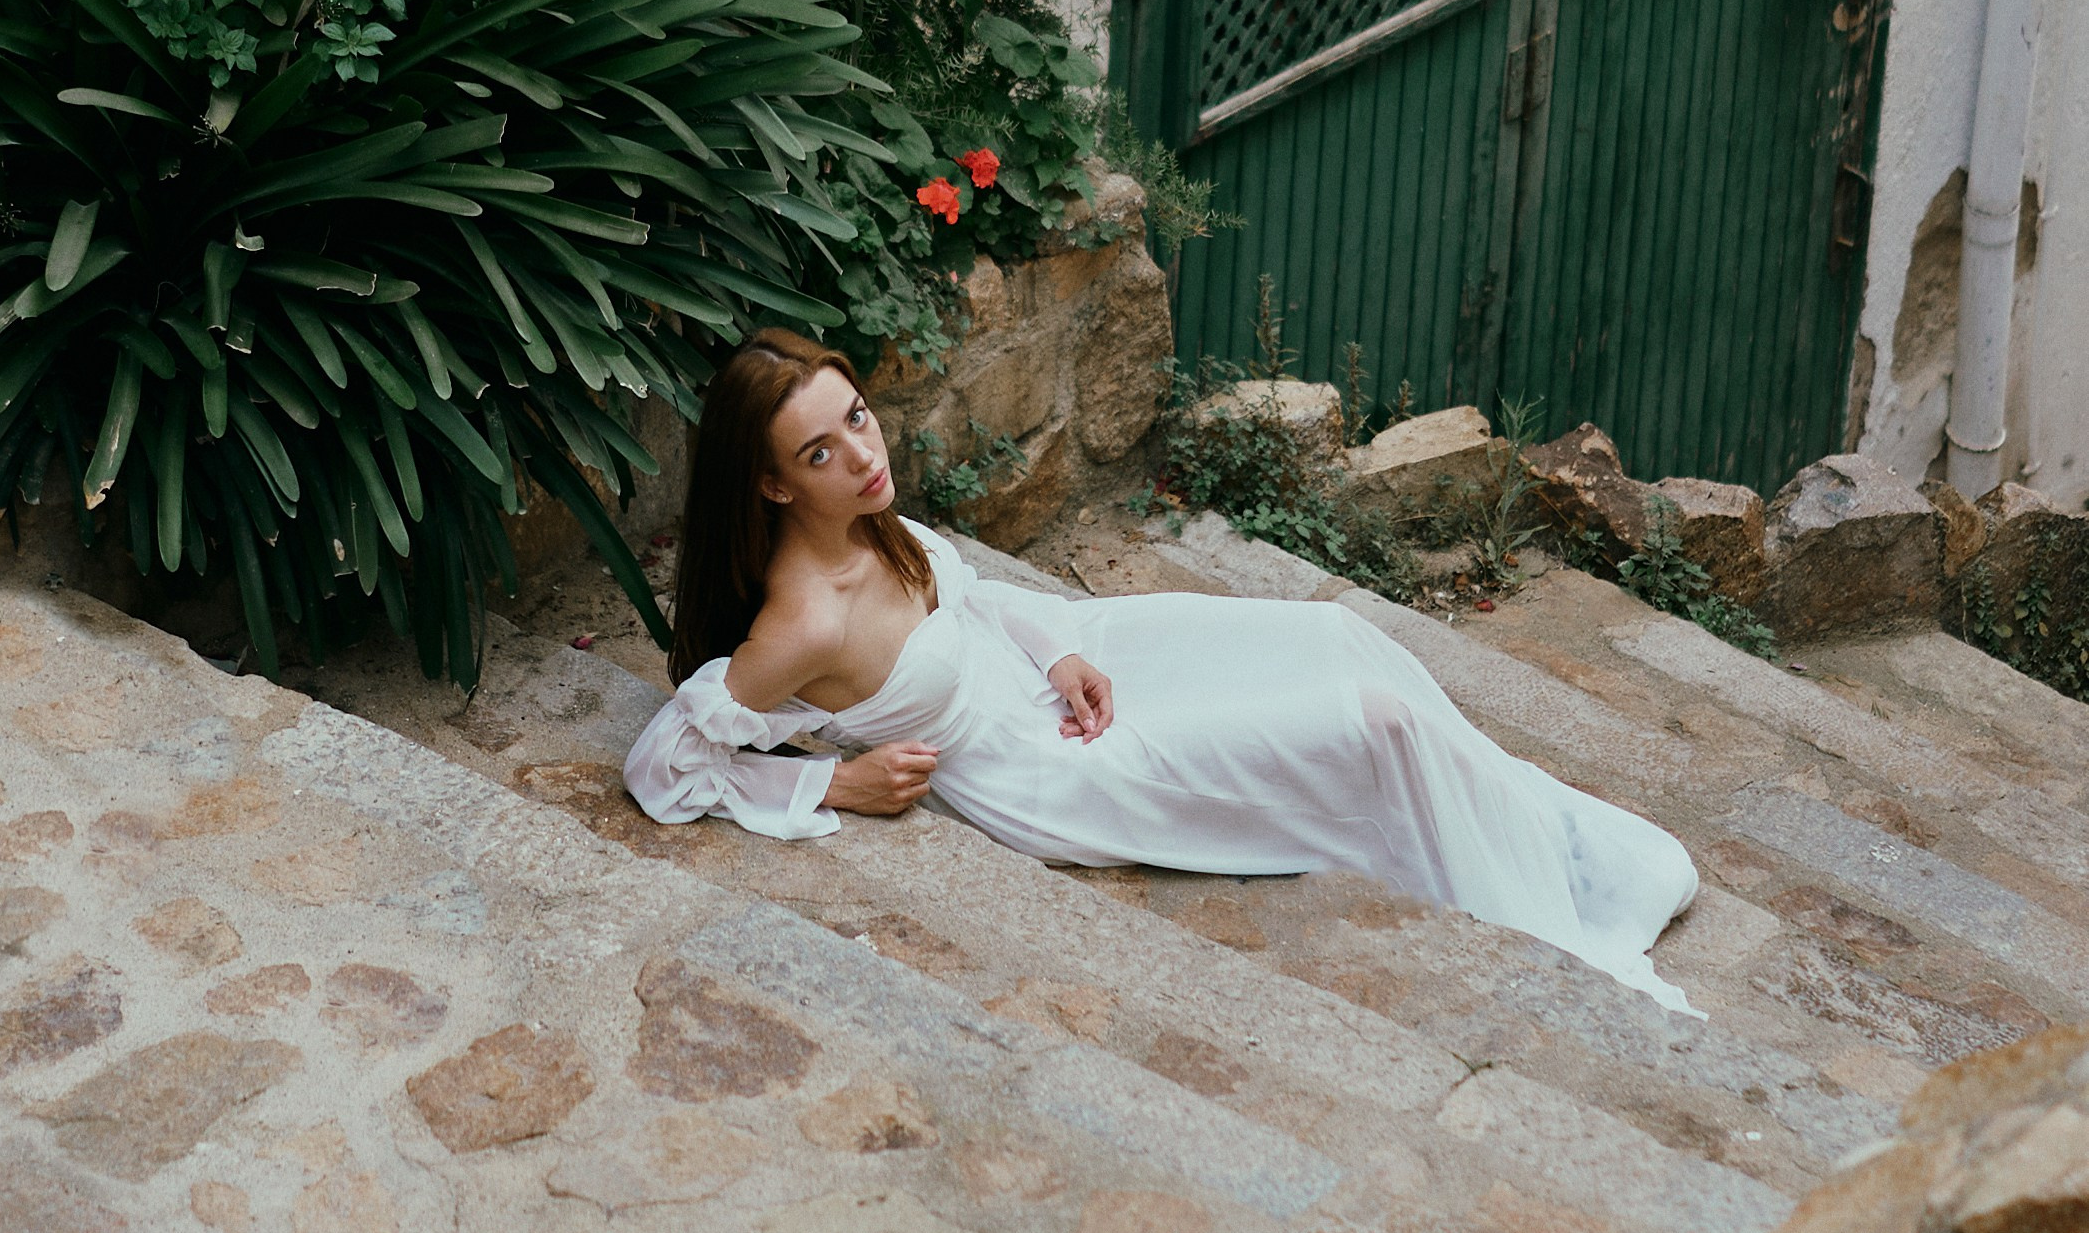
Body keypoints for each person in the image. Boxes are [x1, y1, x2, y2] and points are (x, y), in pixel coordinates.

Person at [623, 328, 1701, 1009]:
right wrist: (831, 782)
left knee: (1333, 635)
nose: (862, 452)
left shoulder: (868, 520)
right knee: (1369, 722)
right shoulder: (803, 624)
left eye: (853, 416)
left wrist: (1067, 648)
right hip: (1054, 767)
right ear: (769, 486)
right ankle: (1546, 915)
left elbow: (973, 599)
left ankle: (1542, 835)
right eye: (819, 451)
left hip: (1059, 668)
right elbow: (662, 763)